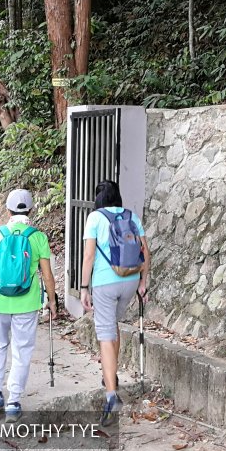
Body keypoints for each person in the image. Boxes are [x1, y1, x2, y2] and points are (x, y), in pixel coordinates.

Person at [0, 188, 57, 422]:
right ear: (32, 210)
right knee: (22, 350)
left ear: (8, 210)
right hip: (26, 300)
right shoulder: (38, 237)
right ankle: (14, 400)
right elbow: (47, 274)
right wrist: (52, 301)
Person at [79, 179, 150, 423]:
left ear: (97, 200)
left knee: (105, 336)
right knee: (113, 326)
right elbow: (145, 251)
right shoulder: (131, 215)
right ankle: (112, 375)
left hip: (104, 284)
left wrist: (84, 287)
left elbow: (89, 256)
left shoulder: (95, 218)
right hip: (130, 280)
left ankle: (111, 395)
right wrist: (143, 282)